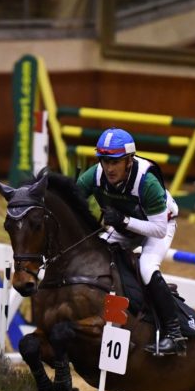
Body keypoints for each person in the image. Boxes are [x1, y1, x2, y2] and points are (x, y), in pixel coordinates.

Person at [76, 127, 186, 355]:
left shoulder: (147, 183)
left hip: (159, 225)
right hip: (125, 224)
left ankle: (174, 334)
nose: (108, 168)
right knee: (98, 255)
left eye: (115, 162)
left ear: (128, 160)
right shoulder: (94, 175)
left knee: (146, 267)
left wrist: (124, 221)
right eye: (104, 161)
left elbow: (157, 229)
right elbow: (72, 202)